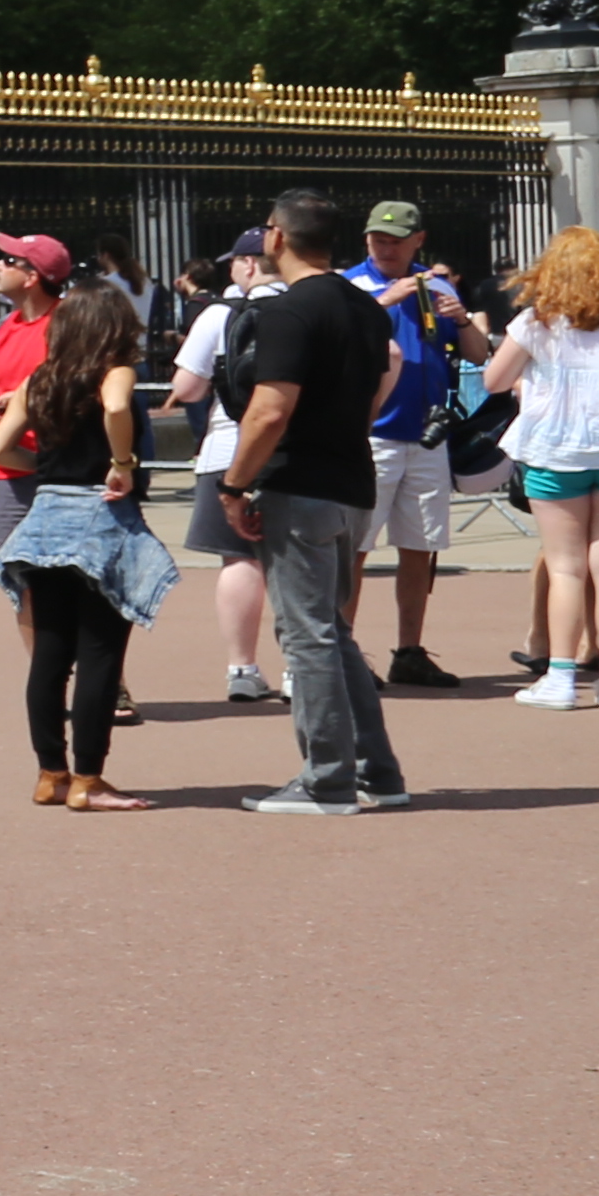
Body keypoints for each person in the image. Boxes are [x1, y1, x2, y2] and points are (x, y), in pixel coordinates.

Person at [221, 187, 406, 816]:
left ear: (276, 236)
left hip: (301, 484)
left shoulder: (289, 312)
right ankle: (376, 770)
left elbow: (269, 410)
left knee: (307, 637)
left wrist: (233, 484)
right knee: (335, 633)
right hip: (353, 479)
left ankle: (327, 777)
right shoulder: (367, 309)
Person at [0, 284, 167, 811]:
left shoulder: (40, 378)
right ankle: (88, 778)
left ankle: (50, 772)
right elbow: (114, 407)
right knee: (101, 652)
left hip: (46, 519)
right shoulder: (115, 370)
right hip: (99, 514)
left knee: (50, 653)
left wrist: (44, 472)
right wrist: (122, 463)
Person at [348, 202, 496, 688]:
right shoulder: (353, 286)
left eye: (394, 240)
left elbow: (478, 358)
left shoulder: (438, 285)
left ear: (418, 240)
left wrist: (462, 317)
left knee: (420, 546)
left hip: (428, 433)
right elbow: (337, 342)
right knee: (356, 547)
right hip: (373, 434)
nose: (385, 248)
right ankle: (343, 651)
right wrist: (386, 301)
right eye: (377, 239)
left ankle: (408, 650)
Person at [486, 226, 599, 707]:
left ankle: (561, 677)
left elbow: (493, 380)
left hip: (558, 452)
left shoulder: (536, 323)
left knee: (566, 568)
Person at [166, 228, 280, 707]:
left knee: (240, 560)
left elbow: (187, 387)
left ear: (250, 265)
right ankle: (301, 667)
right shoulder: (314, 305)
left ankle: (242, 668)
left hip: (230, 448)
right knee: (300, 563)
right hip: (300, 450)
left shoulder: (220, 313)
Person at [0, 232, 69, 584]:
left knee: (65, 579)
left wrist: (27, 399)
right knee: (17, 582)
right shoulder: (3, 327)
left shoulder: (69, 324)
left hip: (63, 470)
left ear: (32, 276)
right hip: (11, 472)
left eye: (8, 260)